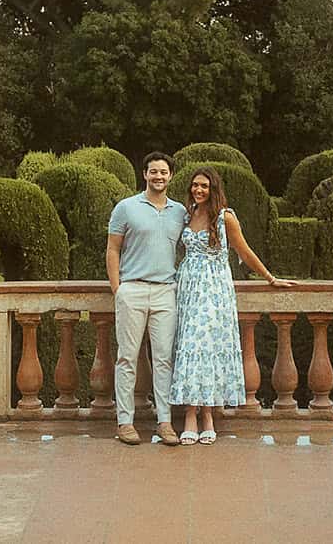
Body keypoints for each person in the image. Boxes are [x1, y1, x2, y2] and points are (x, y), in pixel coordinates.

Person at [169, 165, 292, 445]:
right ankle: (190, 415)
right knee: (188, 345)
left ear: (214, 189)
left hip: (214, 289)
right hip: (188, 287)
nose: (198, 190)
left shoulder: (226, 217)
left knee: (207, 347)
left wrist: (270, 278)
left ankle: (208, 415)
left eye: (204, 186)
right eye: (195, 185)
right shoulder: (188, 214)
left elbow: (244, 251)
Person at [105, 150, 189, 446]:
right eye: (153, 171)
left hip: (167, 292)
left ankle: (165, 423)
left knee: (164, 360)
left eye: (163, 172)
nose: (158, 176)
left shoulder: (180, 211)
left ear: (171, 176)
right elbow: (113, 249)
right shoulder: (126, 208)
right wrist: (119, 289)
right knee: (127, 358)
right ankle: (124, 423)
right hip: (133, 289)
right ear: (145, 174)